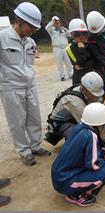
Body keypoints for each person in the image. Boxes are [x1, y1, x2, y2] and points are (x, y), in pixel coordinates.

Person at [0, 2, 51, 166]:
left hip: (30, 85)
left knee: (34, 117)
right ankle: (24, 151)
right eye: (32, 27)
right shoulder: (2, 38)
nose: (34, 30)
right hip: (11, 88)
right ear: (19, 20)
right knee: (17, 121)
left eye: (36, 28)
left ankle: (35, 145)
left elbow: (28, 65)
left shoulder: (30, 42)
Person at [51, 103, 105, 207]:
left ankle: (75, 189)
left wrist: (103, 154)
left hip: (59, 176)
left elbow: (87, 152)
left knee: (100, 166)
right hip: (65, 182)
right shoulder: (91, 135)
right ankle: (76, 195)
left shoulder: (79, 127)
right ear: (99, 124)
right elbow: (93, 165)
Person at [44, 72, 105, 145]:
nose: (96, 97)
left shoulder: (83, 89)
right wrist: (103, 145)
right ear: (84, 89)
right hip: (60, 123)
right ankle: (73, 143)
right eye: (94, 94)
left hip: (72, 117)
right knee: (84, 137)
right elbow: (89, 125)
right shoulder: (74, 101)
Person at [66, 18, 95, 85]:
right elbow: (80, 63)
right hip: (79, 79)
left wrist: (85, 65)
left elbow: (93, 61)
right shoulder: (69, 48)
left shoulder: (89, 44)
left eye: (84, 33)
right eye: (77, 34)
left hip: (92, 77)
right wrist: (82, 49)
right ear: (72, 34)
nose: (81, 37)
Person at [45, 16, 73, 81]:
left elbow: (70, 35)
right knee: (59, 63)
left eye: (58, 22)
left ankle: (71, 74)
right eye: (56, 22)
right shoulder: (51, 30)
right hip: (57, 48)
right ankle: (62, 76)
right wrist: (52, 22)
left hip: (65, 47)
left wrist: (65, 30)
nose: (57, 23)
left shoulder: (63, 29)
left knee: (68, 61)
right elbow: (46, 28)